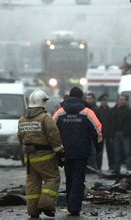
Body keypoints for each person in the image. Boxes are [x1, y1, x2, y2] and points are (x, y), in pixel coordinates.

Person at [53, 87, 102, 217]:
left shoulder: (59, 113)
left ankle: (70, 204)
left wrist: (55, 150)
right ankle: (74, 207)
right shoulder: (87, 112)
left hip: (65, 152)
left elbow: (52, 131)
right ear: (81, 97)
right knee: (78, 178)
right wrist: (99, 148)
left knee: (69, 178)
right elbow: (97, 131)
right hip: (82, 152)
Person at [17, 89, 64, 218]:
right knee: (52, 179)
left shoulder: (22, 119)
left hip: (29, 159)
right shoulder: (45, 119)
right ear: (42, 102)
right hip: (45, 157)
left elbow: (20, 138)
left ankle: (32, 211)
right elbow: (54, 137)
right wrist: (60, 153)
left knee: (33, 184)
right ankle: (46, 205)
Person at [110, 94, 131, 175]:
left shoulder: (128, 110)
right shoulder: (113, 110)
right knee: (117, 152)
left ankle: (130, 169)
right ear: (118, 100)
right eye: (121, 99)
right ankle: (117, 169)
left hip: (125, 134)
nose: (122, 101)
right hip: (116, 133)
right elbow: (110, 122)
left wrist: (127, 131)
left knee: (127, 152)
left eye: (124, 100)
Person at [84, 93, 100, 170]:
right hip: (85, 133)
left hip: (93, 133)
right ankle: (87, 167)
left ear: (93, 99)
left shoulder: (96, 109)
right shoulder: (84, 109)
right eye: (87, 98)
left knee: (93, 151)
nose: (88, 100)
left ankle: (92, 167)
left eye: (90, 98)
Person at [95, 94, 111, 171]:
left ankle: (111, 166)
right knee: (99, 151)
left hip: (108, 133)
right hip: (100, 133)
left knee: (110, 150)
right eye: (103, 100)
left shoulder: (110, 110)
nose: (105, 102)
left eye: (106, 100)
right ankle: (98, 166)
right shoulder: (98, 110)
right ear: (101, 101)